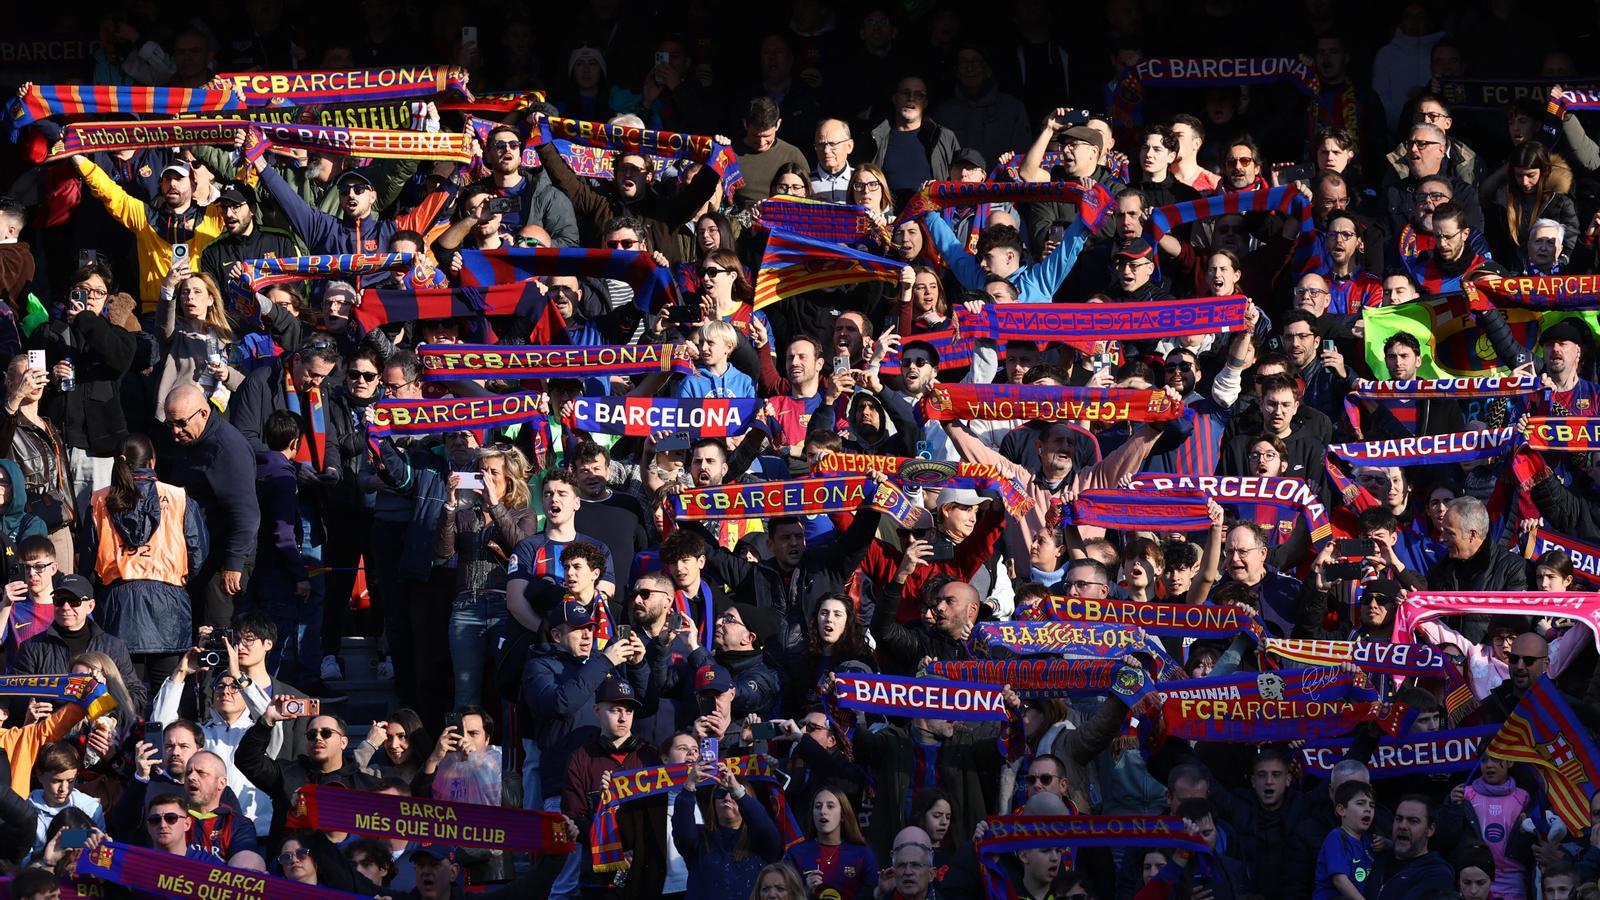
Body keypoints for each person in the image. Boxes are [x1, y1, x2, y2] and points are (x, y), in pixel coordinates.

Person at [83, 433, 205, 689]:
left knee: (125, 698)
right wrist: (178, 580)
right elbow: (197, 551)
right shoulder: (178, 497)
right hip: (169, 606)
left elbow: (88, 560)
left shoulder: (100, 500)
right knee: (169, 695)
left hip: (118, 606)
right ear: (152, 462)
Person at [31, 259, 137, 522]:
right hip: (55, 443)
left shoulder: (118, 336)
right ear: (70, 292)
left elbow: (118, 360)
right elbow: (26, 379)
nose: (90, 297)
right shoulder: (47, 334)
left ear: (107, 299)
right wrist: (52, 376)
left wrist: (86, 320)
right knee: (56, 522)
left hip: (97, 449)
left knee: (98, 522)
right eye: (83, 289)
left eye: (98, 292)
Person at [157, 383, 260, 629]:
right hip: (198, 555)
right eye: (170, 424)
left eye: (181, 423)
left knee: (217, 637)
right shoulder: (189, 440)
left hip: (223, 561)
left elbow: (246, 515)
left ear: (203, 413)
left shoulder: (226, 449)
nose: (175, 431)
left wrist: (233, 564)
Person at [783, 786, 877, 900]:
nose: (823, 811)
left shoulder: (862, 854)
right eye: (818, 807)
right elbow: (781, 894)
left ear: (842, 815)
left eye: (830, 806)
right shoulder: (795, 853)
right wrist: (805, 891)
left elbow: (872, 894)